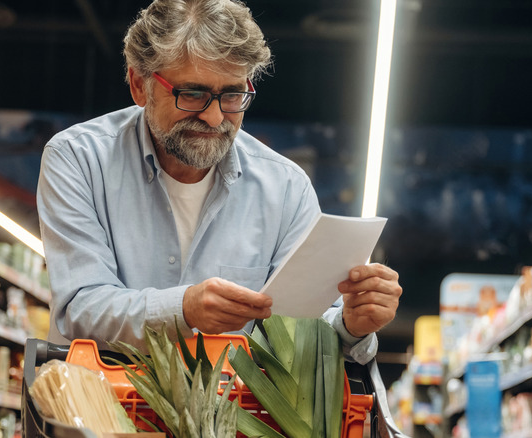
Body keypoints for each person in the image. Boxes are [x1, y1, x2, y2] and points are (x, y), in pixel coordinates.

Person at [37, 0, 402, 365]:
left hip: (232, 417)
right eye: (192, 94)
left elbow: (303, 328)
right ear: (138, 85)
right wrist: (183, 309)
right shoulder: (78, 160)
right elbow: (80, 306)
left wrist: (352, 323)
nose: (214, 118)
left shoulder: (286, 189)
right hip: (104, 408)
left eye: (231, 95)